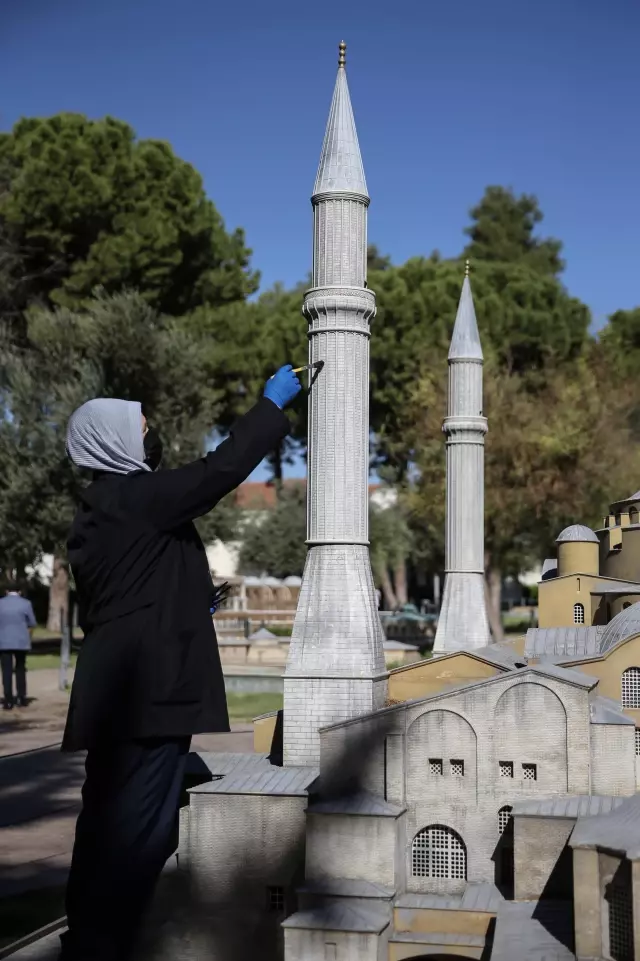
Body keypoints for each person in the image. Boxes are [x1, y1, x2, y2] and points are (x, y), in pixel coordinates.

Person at [60, 365, 301, 961]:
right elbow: (219, 471)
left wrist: (192, 600)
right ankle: (105, 946)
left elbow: (121, 601)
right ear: (117, 443)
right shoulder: (139, 498)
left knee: (103, 821)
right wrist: (270, 407)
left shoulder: (97, 512)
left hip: (112, 692)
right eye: (141, 428)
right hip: (148, 694)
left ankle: (84, 932)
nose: (151, 434)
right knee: (140, 831)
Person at [0, 588, 36, 709]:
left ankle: (8, 699)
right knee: (20, 668)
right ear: (20, 591)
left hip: (4, 641)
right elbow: (32, 623)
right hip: (21, 641)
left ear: (6, 591)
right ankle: (21, 697)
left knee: (6, 670)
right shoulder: (26, 603)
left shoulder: (1, 603)